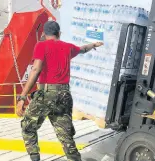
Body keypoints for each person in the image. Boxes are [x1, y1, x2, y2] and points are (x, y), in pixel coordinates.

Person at [16, 21, 103, 161]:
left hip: (47, 93)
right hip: (64, 95)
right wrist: (94, 45)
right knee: (65, 135)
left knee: (28, 127)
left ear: (44, 34)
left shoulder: (41, 45)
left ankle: (35, 158)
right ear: (59, 33)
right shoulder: (68, 47)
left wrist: (22, 97)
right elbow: (82, 49)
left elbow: (36, 69)